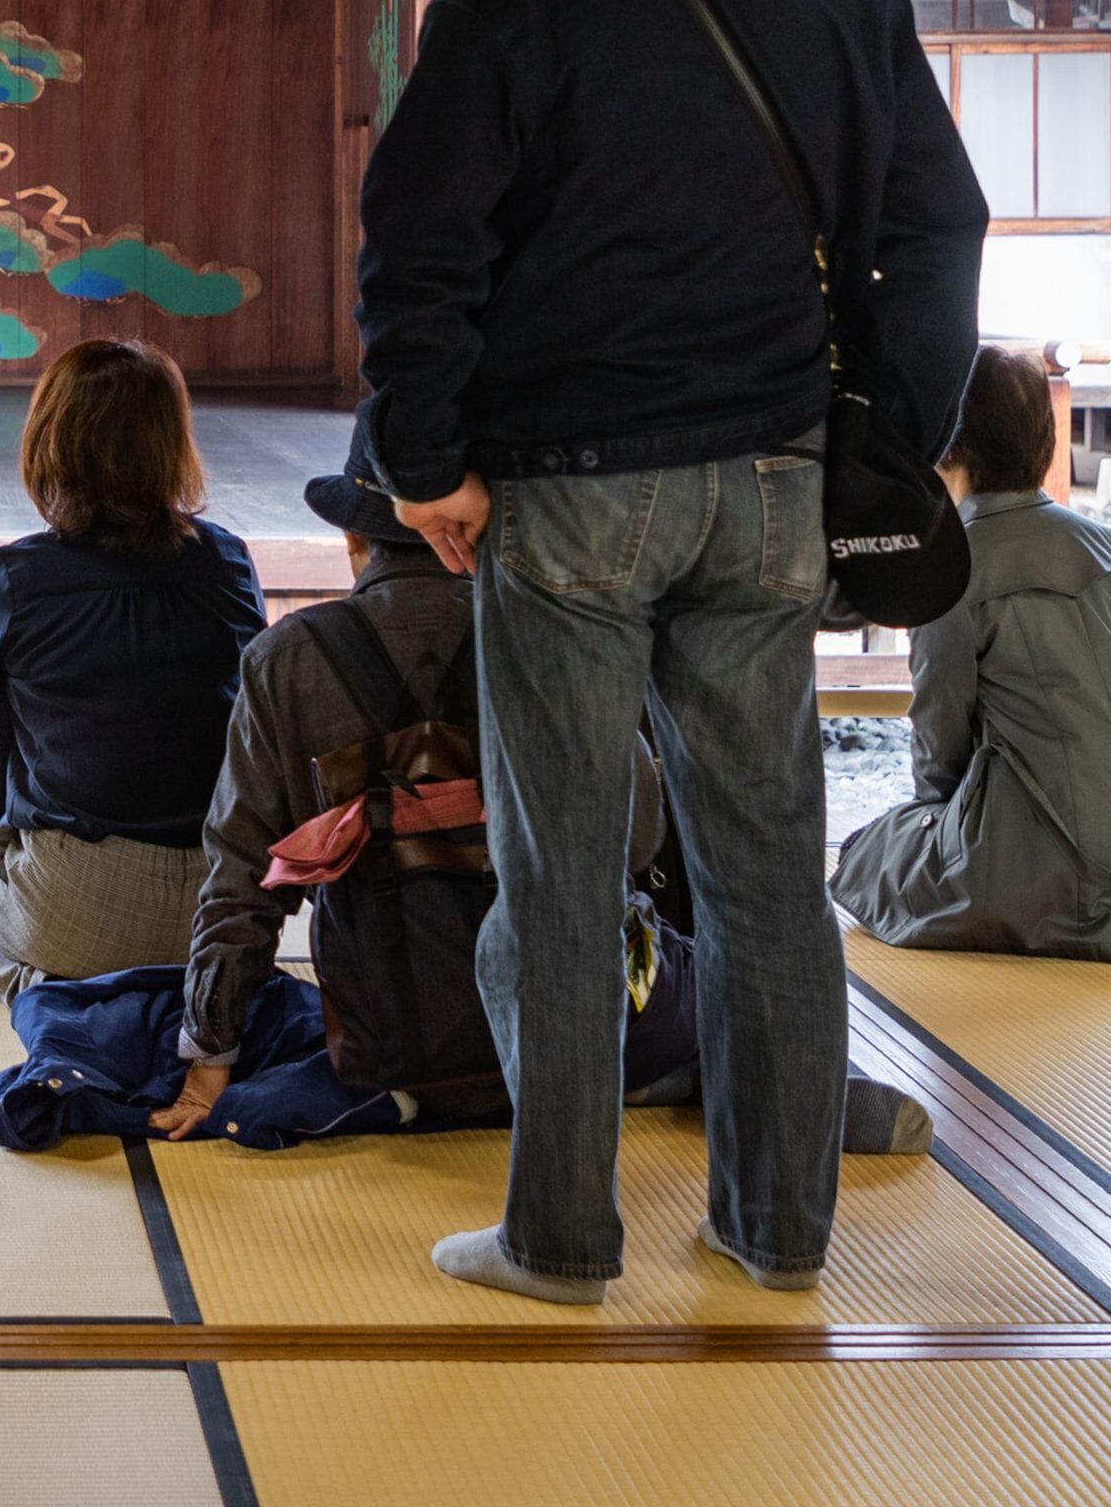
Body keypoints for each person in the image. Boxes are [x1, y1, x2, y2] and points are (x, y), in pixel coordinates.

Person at [352, 0, 985, 1304]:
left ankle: (561, 1237)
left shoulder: (509, 2)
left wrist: (425, 462)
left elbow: (419, 255)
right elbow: (938, 236)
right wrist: (880, 442)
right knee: (770, 859)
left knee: (564, 869)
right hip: (773, 488)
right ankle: (778, 1231)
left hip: (567, 491)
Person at [148, 475, 929, 1157]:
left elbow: (242, 874)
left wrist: (210, 1052)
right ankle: (775, 1089)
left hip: (393, 1035)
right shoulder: (567, 634)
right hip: (589, 1022)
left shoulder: (285, 661)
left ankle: (422, 1099)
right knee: (729, 970)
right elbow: (639, 838)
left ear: (355, 540)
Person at [0, 339, 267, 999]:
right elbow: (248, 723)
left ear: (49, 442)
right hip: (218, 907)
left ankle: (65, 995)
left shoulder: (12, 579)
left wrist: (0, 835)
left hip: (75, 897)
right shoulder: (228, 562)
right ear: (170, 444)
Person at [832, 348, 1111, 962]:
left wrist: (933, 828)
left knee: (865, 856)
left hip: (1046, 837)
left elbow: (940, 735)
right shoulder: (1097, 539)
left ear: (946, 440)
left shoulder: (953, 559)